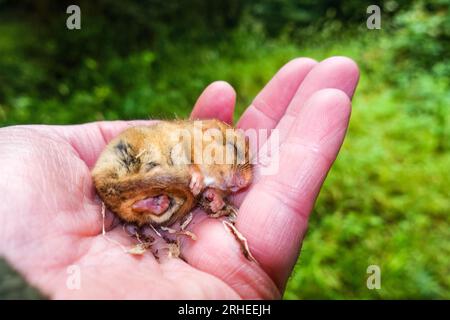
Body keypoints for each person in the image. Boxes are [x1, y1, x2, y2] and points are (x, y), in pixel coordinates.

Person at [0, 56, 359, 299]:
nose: (241, 179)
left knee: (177, 193)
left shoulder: (191, 176)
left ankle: (146, 200)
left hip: (139, 192)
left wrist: (208, 194)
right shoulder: (178, 144)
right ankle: (147, 197)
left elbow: (192, 187)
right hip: (131, 172)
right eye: (235, 163)